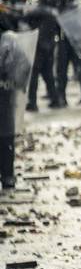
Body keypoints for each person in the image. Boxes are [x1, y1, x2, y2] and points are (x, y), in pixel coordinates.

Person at [0, 22, 32, 189]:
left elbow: (23, 66)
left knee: (6, 135)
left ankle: (7, 176)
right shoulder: (9, 40)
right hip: (5, 95)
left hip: (4, 95)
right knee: (6, 136)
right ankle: (7, 176)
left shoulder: (8, 41)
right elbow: (24, 66)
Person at [24, 0, 60, 111]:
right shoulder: (52, 11)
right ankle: (55, 99)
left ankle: (33, 103)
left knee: (35, 75)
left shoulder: (42, 11)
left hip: (40, 47)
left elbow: (27, 15)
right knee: (48, 75)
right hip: (49, 46)